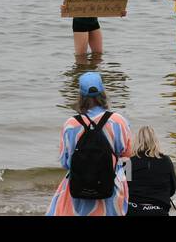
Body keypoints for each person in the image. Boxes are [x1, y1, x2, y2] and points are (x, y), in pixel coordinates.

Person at [46, 72, 134, 217]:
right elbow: (128, 158)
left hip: (78, 189)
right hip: (111, 190)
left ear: (80, 96)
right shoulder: (118, 121)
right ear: (103, 94)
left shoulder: (71, 124)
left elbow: (65, 163)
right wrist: (127, 183)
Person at [127, 126, 176, 216]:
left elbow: (125, 188)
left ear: (137, 141)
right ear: (155, 140)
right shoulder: (166, 161)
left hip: (133, 210)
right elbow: (172, 190)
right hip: (159, 211)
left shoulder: (129, 162)